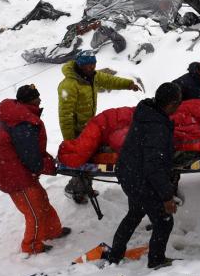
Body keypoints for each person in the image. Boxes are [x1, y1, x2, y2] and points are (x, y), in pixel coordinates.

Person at [105, 83, 183, 269]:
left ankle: (115, 255)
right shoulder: (157, 127)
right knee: (164, 220)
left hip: (129, 172)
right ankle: (156, 261)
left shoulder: (148, 113)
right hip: (140, 178)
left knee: (135, 213)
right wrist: (166, 196)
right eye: (178, 103)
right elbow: (153, 166)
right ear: (171, 104)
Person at [0, 85, 69, 255]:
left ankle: (52, 231)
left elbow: (32, 152)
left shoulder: (20, 116)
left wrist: (48, 161)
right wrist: (50, 166)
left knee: (41, 200)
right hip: (14, 176)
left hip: (20, 170)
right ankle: (31, 246)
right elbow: (31, 158)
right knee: (34, 212)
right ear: (29, 101)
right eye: (37, 97)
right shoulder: (22, 123)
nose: (40, 99)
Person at [59, 50, 141, 203]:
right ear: (80, 65)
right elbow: (65, 116)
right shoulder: (69, 85)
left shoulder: (93, 77)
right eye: (88, 65)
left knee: (90, 160)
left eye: (93, 64)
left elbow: (110, 81)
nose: (92, 67)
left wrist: (129, 84)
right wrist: (70, 141)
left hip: (89, 127)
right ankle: (75, 190)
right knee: (82, 161)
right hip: (77, 130)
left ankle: (83, 187)